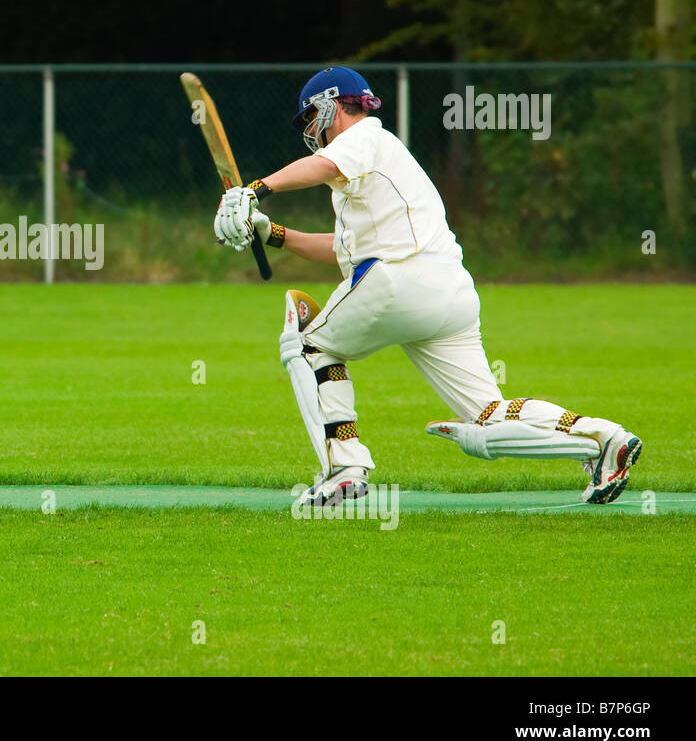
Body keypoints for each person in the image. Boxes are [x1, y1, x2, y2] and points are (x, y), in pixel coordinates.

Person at [213, 66, 641, 506]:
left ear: (332, 106)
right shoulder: (366, 174)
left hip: (399, 281)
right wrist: (271, 231)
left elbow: (321, 165)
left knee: (308, 346)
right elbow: (340, 250)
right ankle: (604, 439)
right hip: (450, 293)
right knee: (487, 416)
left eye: (310, 119)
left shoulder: (364, 137)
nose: (310, 131)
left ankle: (344, 468)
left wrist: (255, 189)